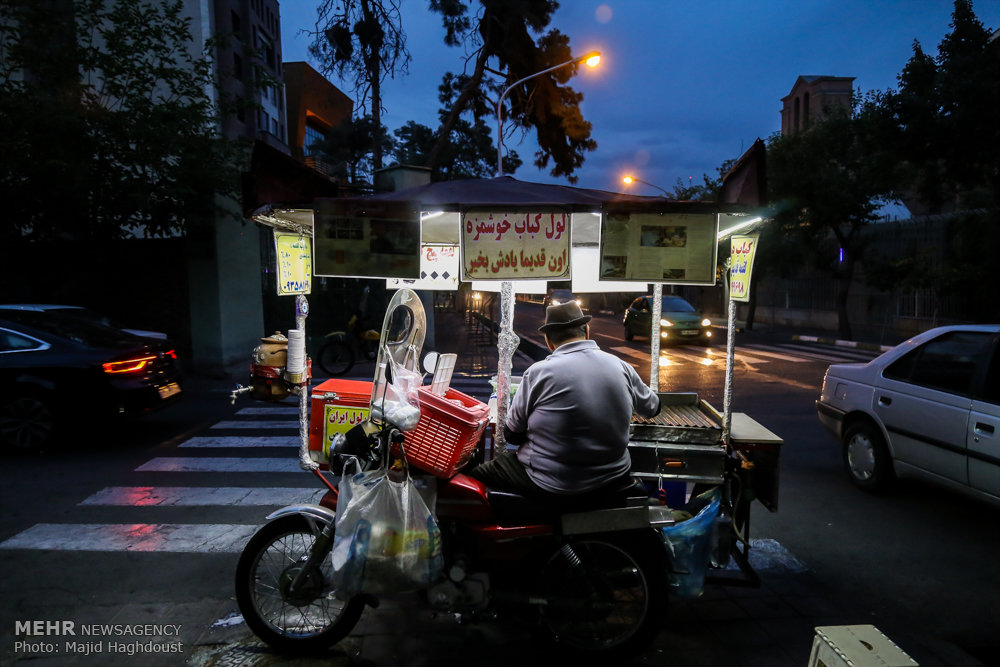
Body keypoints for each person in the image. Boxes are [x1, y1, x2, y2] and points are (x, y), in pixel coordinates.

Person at [469, 301, 660, 497]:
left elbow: (512, 434)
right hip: (614, 476)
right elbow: (653, 407)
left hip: (552, 481)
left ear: (548, 341)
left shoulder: (539, 373)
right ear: (587, 331)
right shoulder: (621, 366)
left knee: (475, 475)